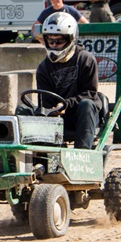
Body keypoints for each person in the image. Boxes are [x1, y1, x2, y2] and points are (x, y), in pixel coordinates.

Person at [21, 12, 100, 149]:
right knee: (22, 109)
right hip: (57, 116)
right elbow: (45, 100)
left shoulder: (85, 59)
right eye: (51, 41)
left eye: (59, 41)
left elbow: (89, 93)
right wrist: (51, 110)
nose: (55, 45)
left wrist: (65, 105)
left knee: (86, 105)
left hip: (82, 115)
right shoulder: (43, 68)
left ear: (71, 39)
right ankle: (35, 156)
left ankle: (82, 155)